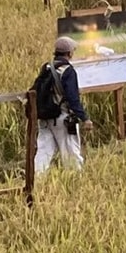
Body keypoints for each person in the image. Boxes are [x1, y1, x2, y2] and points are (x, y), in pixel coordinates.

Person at [32, 37, 89, 173]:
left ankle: (36, 181)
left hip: (45, 118)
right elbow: (72, 99)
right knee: (71, 154)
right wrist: (85, 118)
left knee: (43, 153)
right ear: (69, 53)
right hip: (63, 119)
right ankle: (76, 181)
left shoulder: (47, 67)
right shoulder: (68, 71)